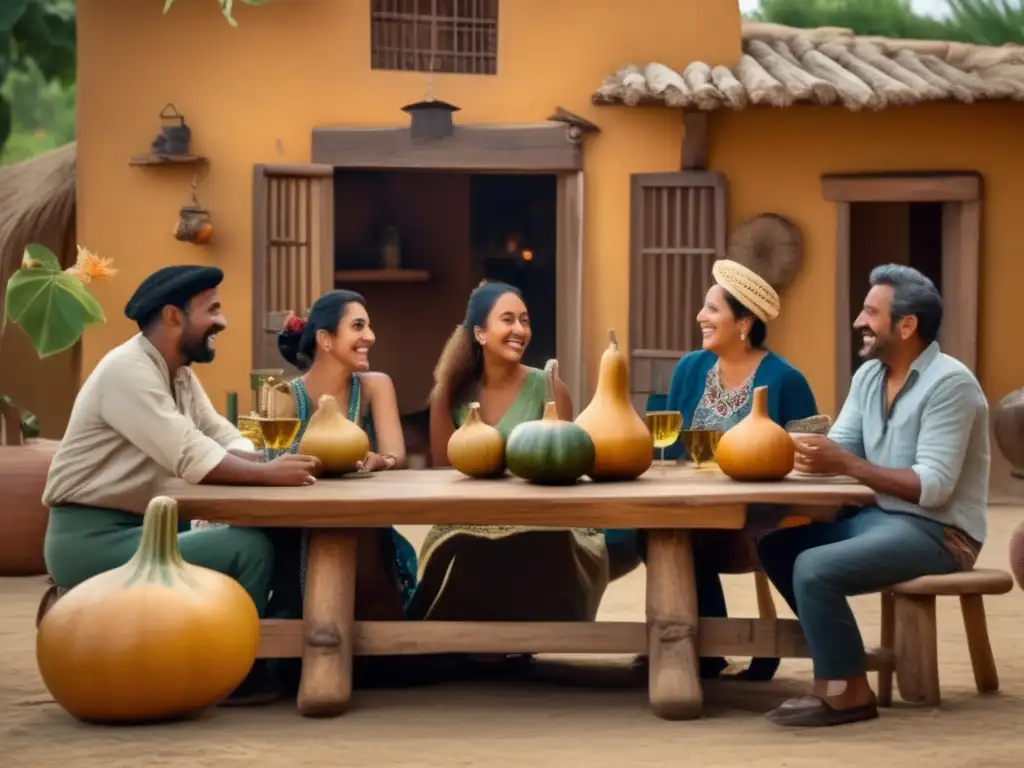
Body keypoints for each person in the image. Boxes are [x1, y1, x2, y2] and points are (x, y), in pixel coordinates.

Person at [41, 265, 320, 705]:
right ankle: (232, 670)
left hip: (151, 529)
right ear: (173, 316)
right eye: (212, 310)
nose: (221, 322)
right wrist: (270, 472)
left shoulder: (178, 376)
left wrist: (275, 460)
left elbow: (221, 435)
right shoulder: (127, 372)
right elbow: (192, 456)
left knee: (277, 535)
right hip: (91, 539)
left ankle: (285, 654)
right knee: (246, 549)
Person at [759, 264, 989, 728]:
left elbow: (933, 486)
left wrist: (845, 464)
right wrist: (792, 448)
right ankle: (842, 665)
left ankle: (846, 693)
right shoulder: (868, 377)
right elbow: (843, 447)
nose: (858, 322)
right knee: (778, 546)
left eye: (870, 312)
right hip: (880, 518)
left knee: (814, 567)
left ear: (906, 326)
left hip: (942, 533)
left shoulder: (952, 383)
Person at [604, 259, 819, 682]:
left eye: (712, 309)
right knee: (656, 531)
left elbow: (809, 456)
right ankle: (698, 647)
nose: (700, 317)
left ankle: (717, 647)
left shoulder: (785, 379)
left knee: (676, 534)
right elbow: (668, 438)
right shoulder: (691, 368)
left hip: (759, 518)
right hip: (693, 507)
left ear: (744, 321)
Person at [412, 281, 610, 638]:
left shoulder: (550, 389)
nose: (520, 330)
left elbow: (565, 471)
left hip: (543, 521)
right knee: (466, 549)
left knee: (535, 547)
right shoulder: (448, 394)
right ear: (480, 333)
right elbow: (445, 473)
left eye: (525, 320)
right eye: (508, 320)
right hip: (467, 520)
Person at [271, 290, 418, 622]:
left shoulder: (374, 386)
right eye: (358, 326)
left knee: (361, 534)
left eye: (369, 326)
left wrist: (383, 460)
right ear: (325, 339)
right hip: (300, 526)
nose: (370, 336)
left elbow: (397, 454)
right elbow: (274, 461)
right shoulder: (287, 396)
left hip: (363, 521)